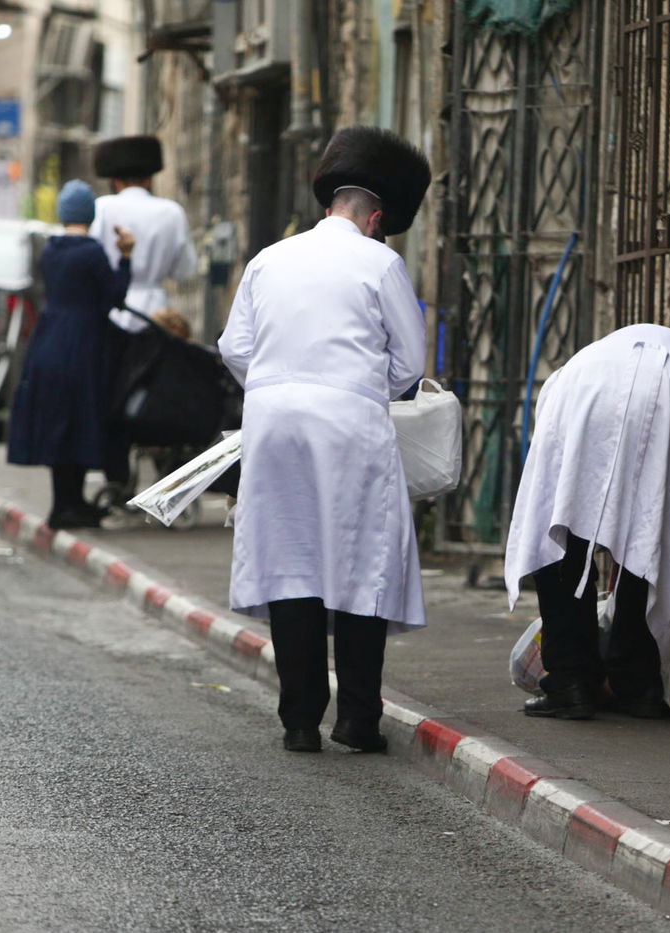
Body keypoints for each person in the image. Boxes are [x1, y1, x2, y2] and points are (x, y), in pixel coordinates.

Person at [218, 126, 431, 754]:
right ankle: (358, 719)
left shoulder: (268, 257)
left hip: (272, 418)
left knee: (291, 562)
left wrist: (276, 384)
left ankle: (299, 721)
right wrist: (361, 387)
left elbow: (234, 347)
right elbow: (411, 362)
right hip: (349, 422)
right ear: (377, 219)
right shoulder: (381, 262)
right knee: (360, 561)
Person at [504, 324, 670, 720]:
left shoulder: (588, 358)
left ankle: (570, 681)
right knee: (653, 532)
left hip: (581, 383)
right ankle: (636, 684)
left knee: (561, 526)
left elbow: (583, 492)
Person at [6, 180, 135, 529]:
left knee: (58, 421)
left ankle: (64, 504)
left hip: (49, 342)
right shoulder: (91, 253)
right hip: (83, 344)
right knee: (80, 418)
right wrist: (125, 257)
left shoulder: (51, 250)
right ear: (90, 216)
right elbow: (115, 298)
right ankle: (71, 506)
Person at [88, 135, 196, 330]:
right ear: (149, 180)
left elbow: (90, 261)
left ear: (114, 181)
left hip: (108, 310)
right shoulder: (171, 212)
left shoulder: (101, 208)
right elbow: (184, 271)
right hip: (156, 314)